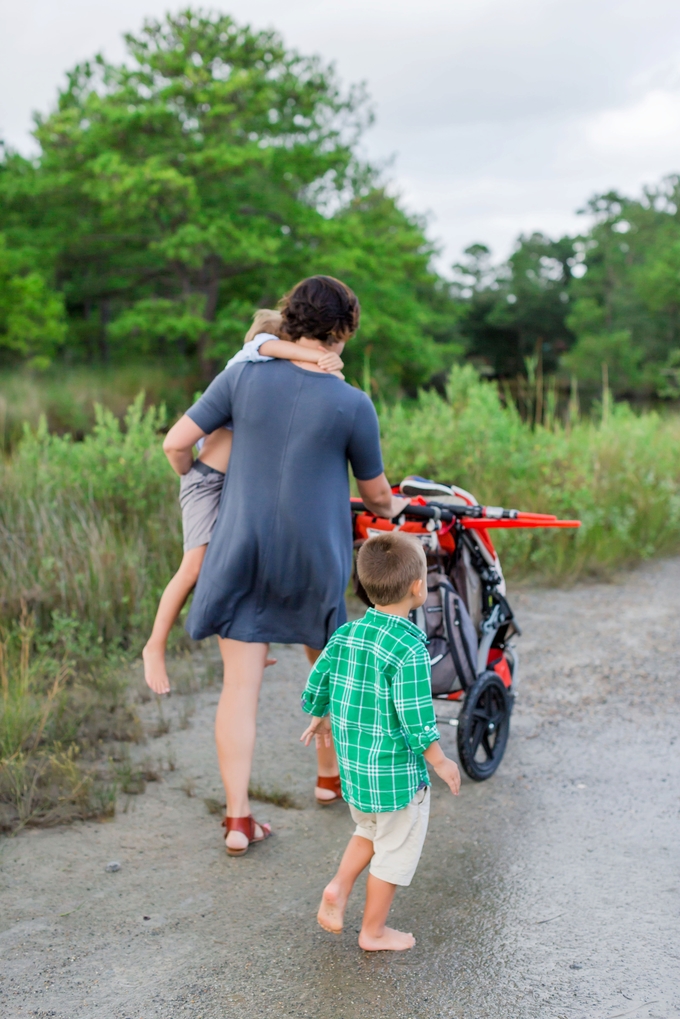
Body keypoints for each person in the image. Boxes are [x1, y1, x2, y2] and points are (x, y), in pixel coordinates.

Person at [162, 275, 409, 854]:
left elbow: (176, 444)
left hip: (238, 548)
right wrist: (392, 505)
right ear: (343, 330)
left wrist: (198, 483)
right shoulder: (353, 402)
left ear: (289, 318)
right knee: (328, 673)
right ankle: (331, 782)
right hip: (313, 557)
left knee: (238, 690)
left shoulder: (242, 375)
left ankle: (239, 822)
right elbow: (375, 497)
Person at [143, 308, 345, 695]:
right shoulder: (249, 359)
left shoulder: (269, 378)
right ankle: (154, 646)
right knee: (196, 567)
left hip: (235, 483)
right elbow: (175, 444)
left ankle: (247, 636)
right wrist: (188, 472)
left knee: (237, 566)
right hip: (207, 482)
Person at [300, 531, 461, 951]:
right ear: (418, 588)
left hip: (356, 769)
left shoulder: (346, 634)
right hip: (393, 775)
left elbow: (319, 678)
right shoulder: (409, 648)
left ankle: (338, 887)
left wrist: (318, 715)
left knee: (368, 828)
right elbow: (415, 716)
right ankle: (373, 932)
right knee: (395, 847)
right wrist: (440, 761)